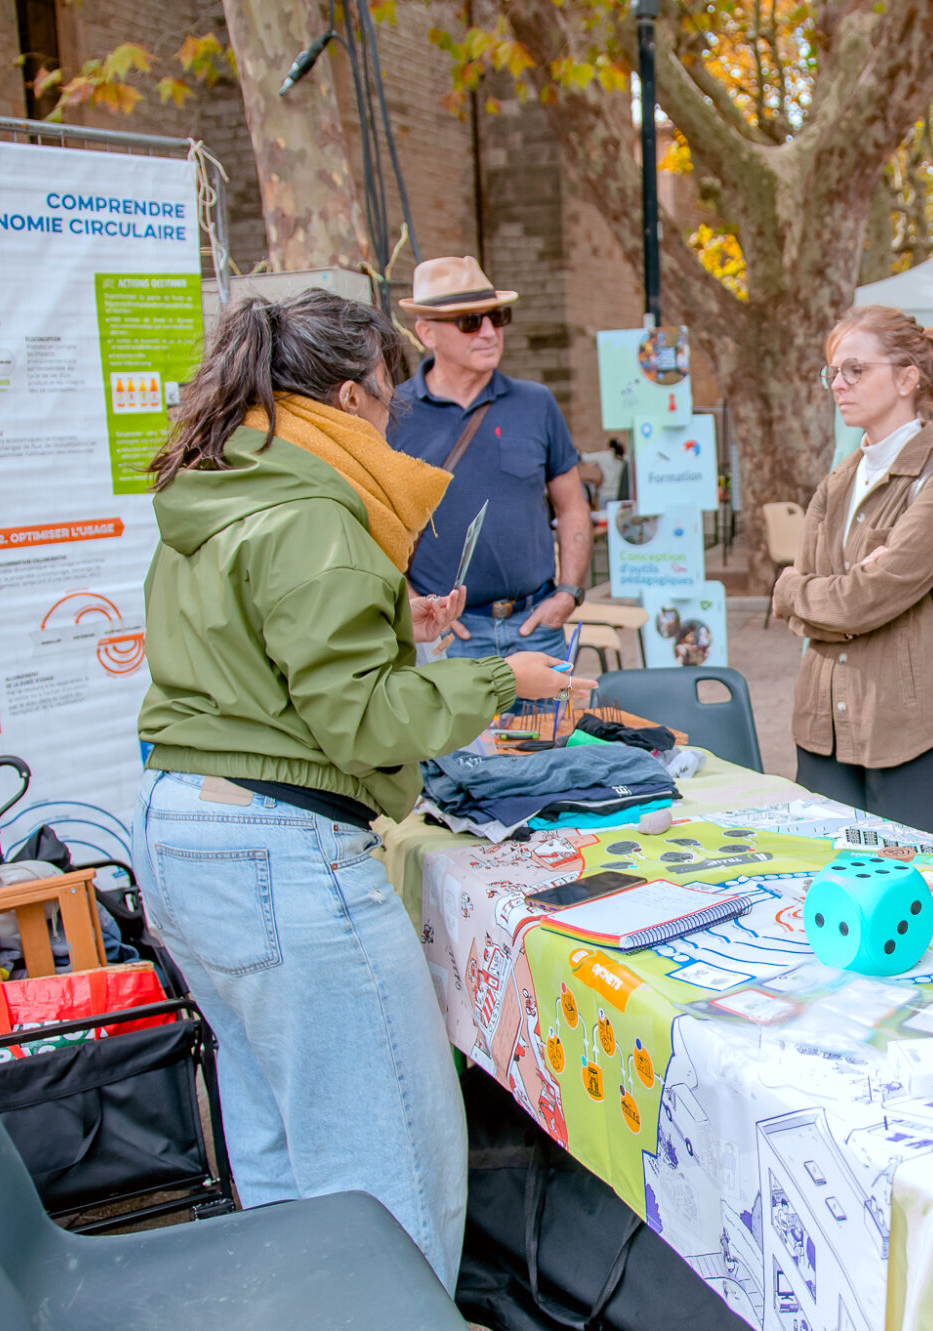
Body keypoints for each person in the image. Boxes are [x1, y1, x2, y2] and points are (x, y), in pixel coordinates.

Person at [133, 290, 592, 1288]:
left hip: (187, 827)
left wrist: (401, 630)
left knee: (283, 1146)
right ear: (348, 396)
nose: (392, 420)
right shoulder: (315, 511)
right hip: (279, 848)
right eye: (386, 401)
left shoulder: (228, 486)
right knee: (389, 1166)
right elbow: (364, 720)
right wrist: (494, 677)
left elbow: (255, 655)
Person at [771, 305, 933, 842]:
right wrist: (808, 592)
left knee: (917, 901)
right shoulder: (838, 481)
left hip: (913, 734)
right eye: (833, 372)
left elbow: (857, 602)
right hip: (825, 728)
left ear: (908, 378)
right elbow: (811, 596)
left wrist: (804, 591)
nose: (839, 384)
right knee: (825, 894)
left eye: (855, 370)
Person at [390, 255, 591, 660]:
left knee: (562, 724)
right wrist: (411, 603)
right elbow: (373, 528)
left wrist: (569, 593)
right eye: (469, 322)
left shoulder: (537, 403)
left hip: (539, 627)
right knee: (461, 730)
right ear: (426, 332)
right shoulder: (394, 413)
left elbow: (572, 505)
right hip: (449, 638)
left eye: (496, 317)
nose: (488, 332)